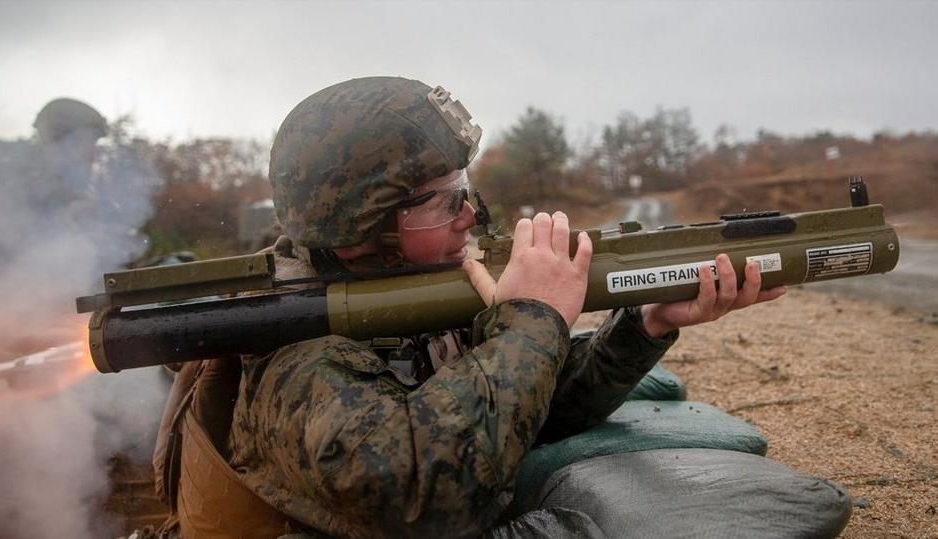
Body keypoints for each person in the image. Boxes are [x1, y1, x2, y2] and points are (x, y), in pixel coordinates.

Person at [152, 77, 785, 539]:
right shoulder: (296, 345)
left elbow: (525, 410)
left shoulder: (404, 285)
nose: (471, 216)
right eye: (442, 201)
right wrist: (532, 319)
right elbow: (427, 495)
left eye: (466, 191)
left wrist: (645, 324)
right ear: (361, 224)